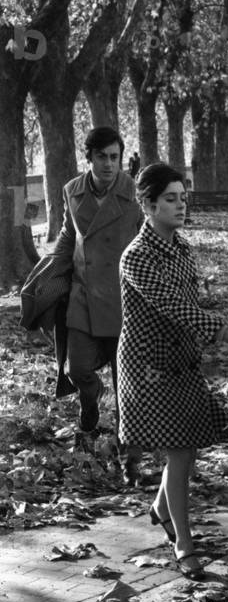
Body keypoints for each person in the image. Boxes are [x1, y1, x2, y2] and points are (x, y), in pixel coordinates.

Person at [117, 163, 228, 581]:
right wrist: (225, 332)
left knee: (189, 447)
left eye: (183, 197)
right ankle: (183, 542)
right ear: (148, 204)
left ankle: (161, 509)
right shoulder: (136, 256)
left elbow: (189, 305)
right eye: (171, 199)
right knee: (179, 453)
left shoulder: (181, 247)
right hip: (149, 368)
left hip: (182, 363)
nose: (181, 205)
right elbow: (172, 307)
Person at [50, 126, 143, 454]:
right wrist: (49, 275)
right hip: (84, 297)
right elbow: (67, 236)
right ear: (88, 158)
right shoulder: (72, 191)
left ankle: (126, 448)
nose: (108, 164)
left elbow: (148, 237)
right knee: (77, 369)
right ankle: (90, 404)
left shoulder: (134, 192)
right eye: (101, 157)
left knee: (125, 384)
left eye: (114, 157)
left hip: (124, 300)